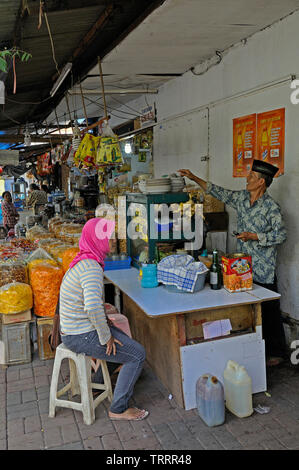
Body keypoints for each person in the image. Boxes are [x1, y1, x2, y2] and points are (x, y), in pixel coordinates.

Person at [179, 160, 287, 366]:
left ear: (262, 182)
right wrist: (194, 178)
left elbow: (281, 235)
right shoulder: (242, 198)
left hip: (263, 268)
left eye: (252, 177)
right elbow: (219, 192)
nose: (247, 178)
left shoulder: (271, 207)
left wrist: (254, 236)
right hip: (242, 267)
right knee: (248, 309)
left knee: (269, 309)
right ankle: (254, 349)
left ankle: (277, 352)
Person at [59, 217, 148, 421]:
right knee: (136, 354)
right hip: (79, 334)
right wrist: (106, 336)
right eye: (109, 237)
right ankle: (118, 408)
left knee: (120, 340)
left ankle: (97, 384)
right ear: (97, 239)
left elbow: (89, 305)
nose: (114, 240)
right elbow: (91, 307)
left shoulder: (86, 260)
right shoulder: (91, 267)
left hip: (76, 328)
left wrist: (106, 326)